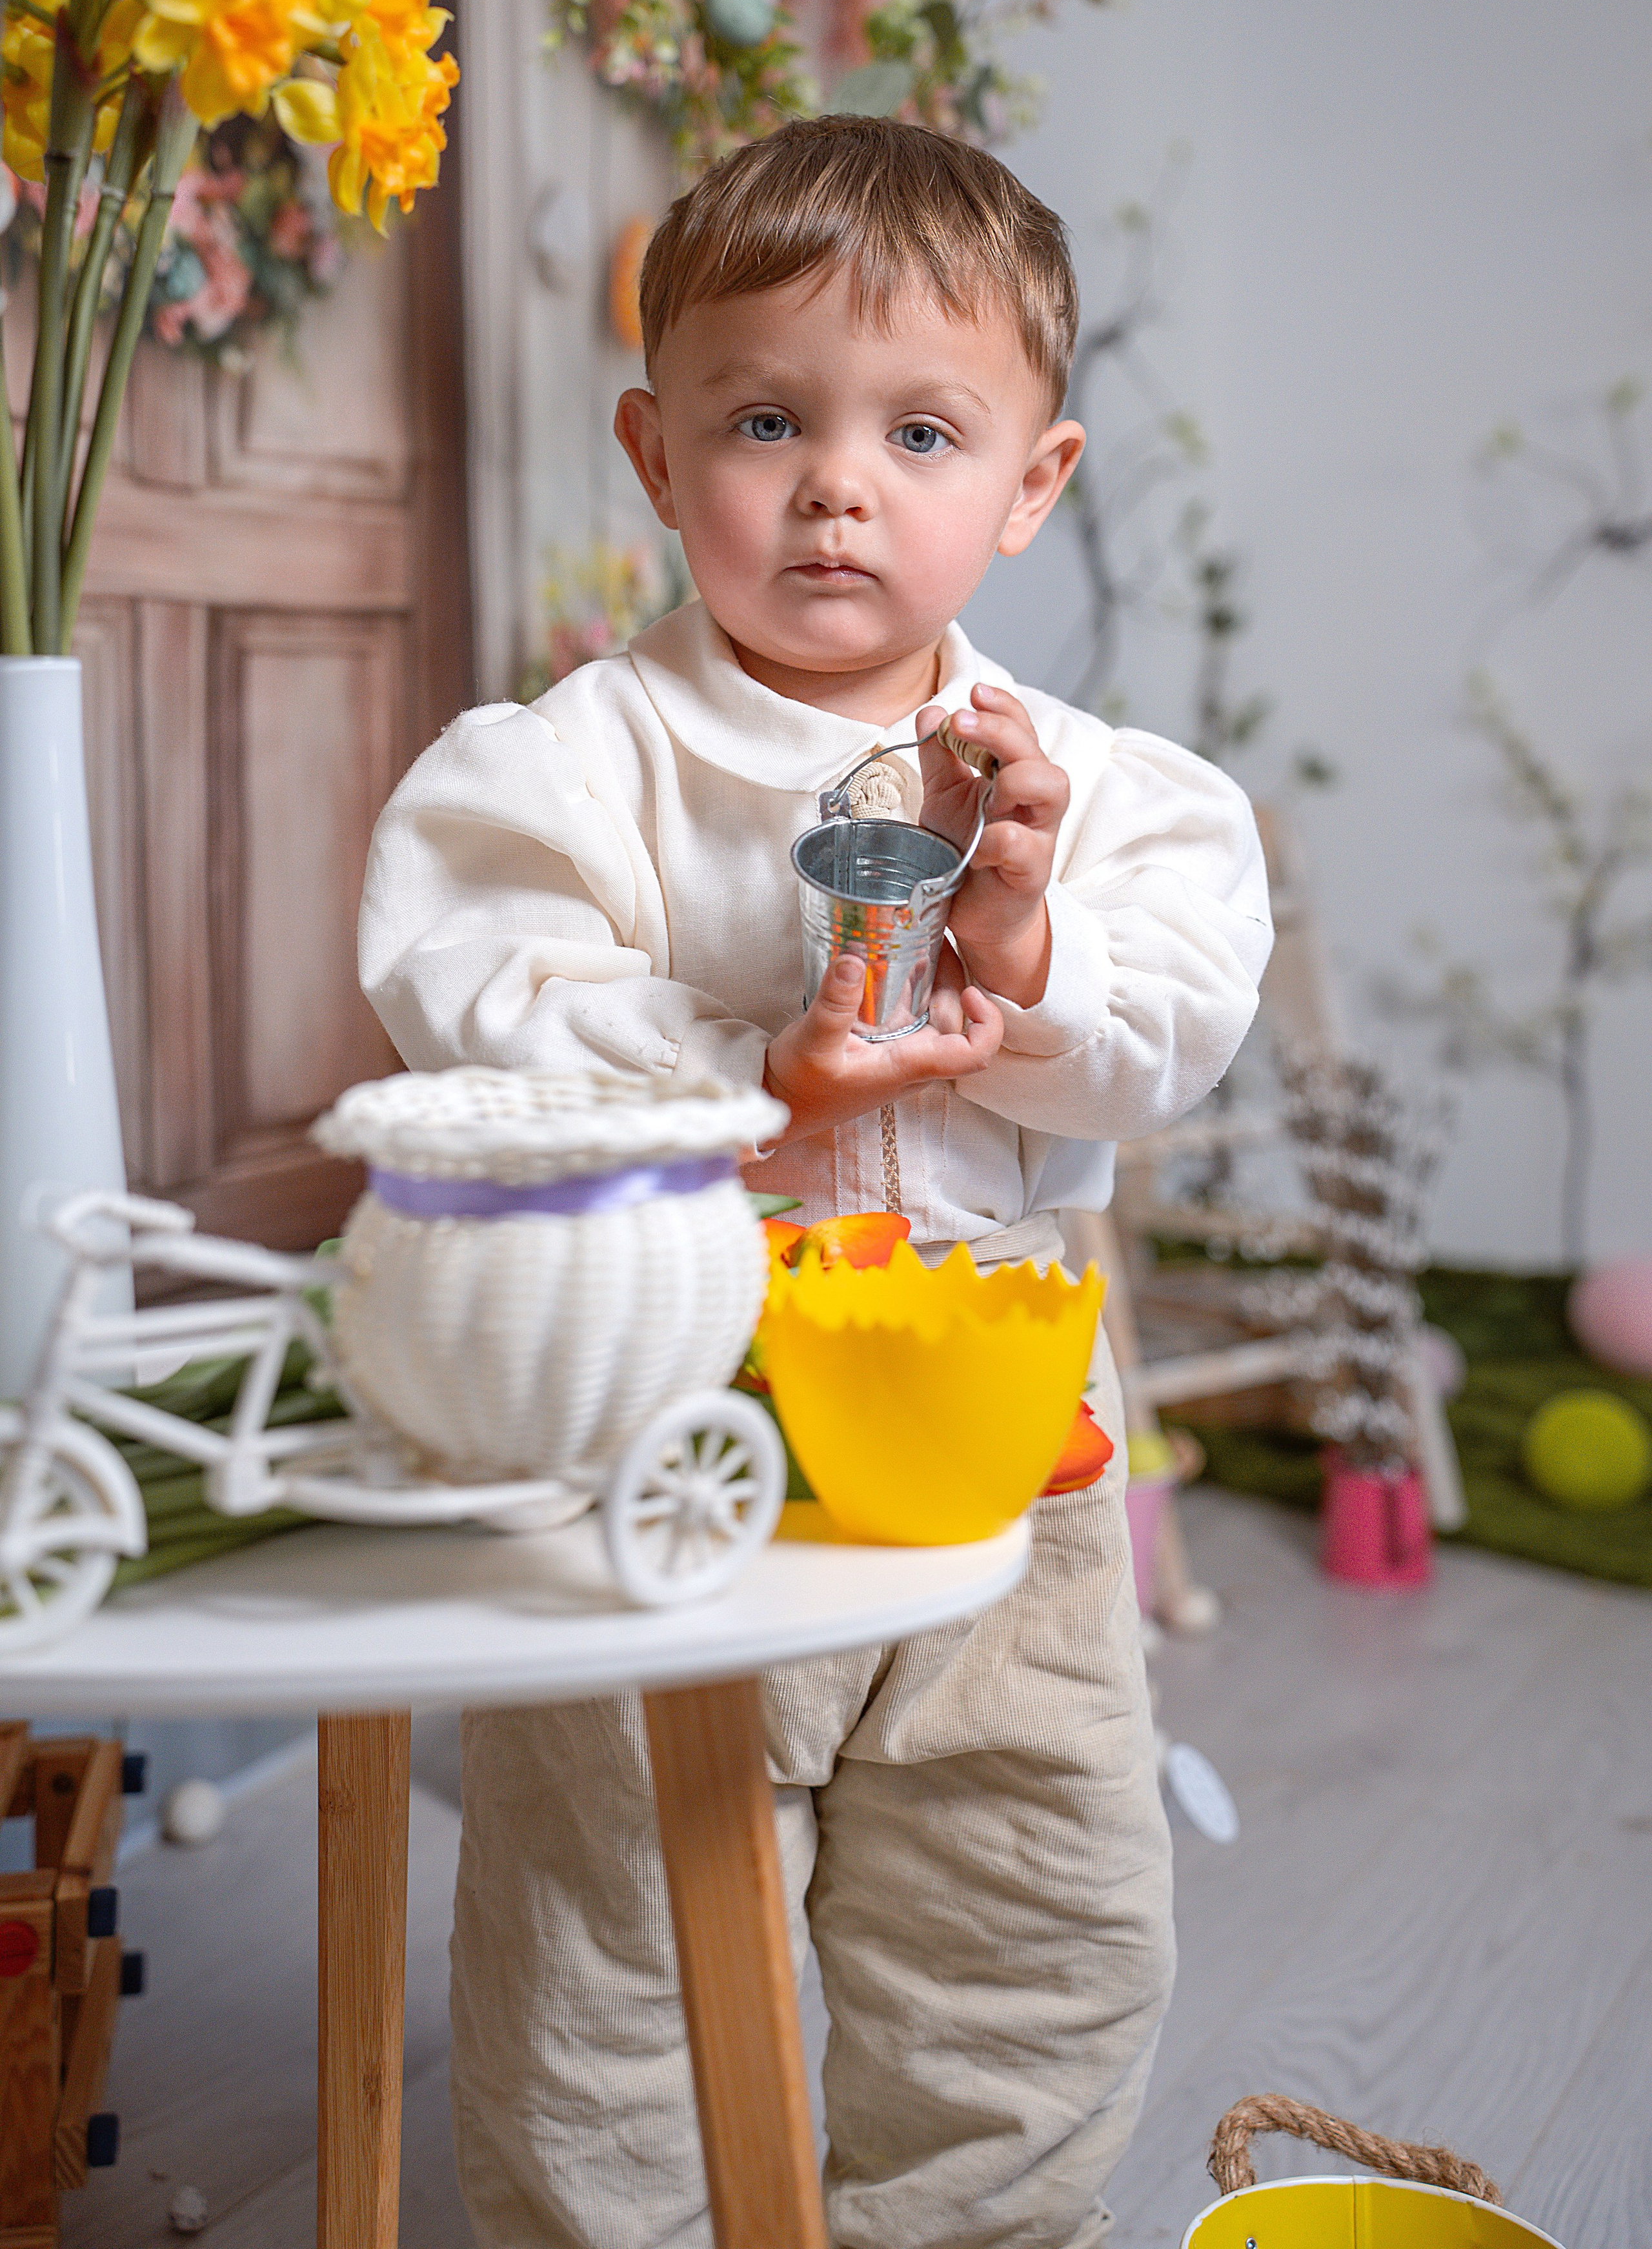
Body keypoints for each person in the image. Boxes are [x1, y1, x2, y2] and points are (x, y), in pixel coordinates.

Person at [359, 116, 1272, 2249]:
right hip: (682, 1410)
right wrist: (742, 1074)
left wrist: (1026, 935)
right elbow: (472, 987)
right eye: (767, 420)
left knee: (1037, 1899)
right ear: (658, 453)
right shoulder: (578, 762)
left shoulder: (1095, 793)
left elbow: (1175, 1026)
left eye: (921, 432)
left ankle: (965, 2229)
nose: (837, 485)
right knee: (622, 1923)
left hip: (1002, 1432)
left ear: (1030, 483)